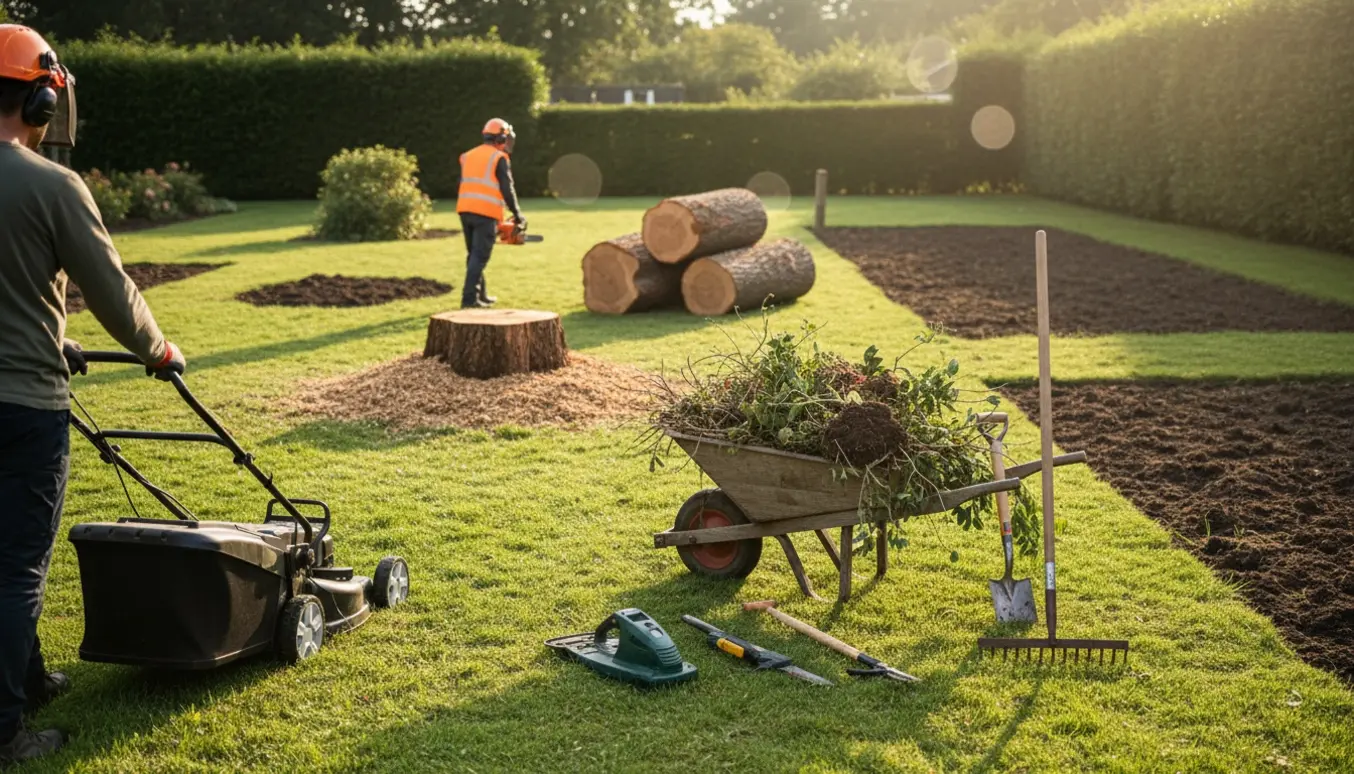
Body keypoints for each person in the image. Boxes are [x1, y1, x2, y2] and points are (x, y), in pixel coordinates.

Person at [0, 24, 186, 766]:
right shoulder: (51, 185)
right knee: (16, 565)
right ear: (44, 100)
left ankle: (29, 680)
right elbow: (111, 290)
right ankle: (6, 731)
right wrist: (158, 349)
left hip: (23, 371)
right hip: (21, 407)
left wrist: (54, 337)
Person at [455, 117, 526, 309]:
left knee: (474, 255)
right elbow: (507, 189)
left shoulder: (468, 155)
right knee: (479, 256)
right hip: (485, 212)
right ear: (500, 139)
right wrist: (518, 214)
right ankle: (469, 300)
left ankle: (481, 295)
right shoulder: (498, 158)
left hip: (465, 210)